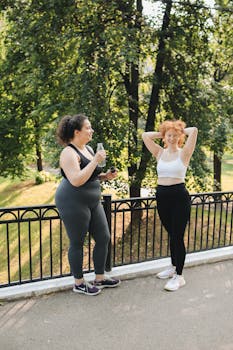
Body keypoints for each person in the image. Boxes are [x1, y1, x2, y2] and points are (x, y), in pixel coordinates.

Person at [55, 113, 120, 296]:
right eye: (88, 128)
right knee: (77, 241)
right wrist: (95, 161)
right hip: (73, 200)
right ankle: (79, 283)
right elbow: (76, 179)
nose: (91, 131)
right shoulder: (68, 152)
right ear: (77, 132)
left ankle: (100, 277)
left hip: (92, 200)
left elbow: (89, 175)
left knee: (103, 237)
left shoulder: (89, 149)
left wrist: (105, 176)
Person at [142, 120, 198, 291]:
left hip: (179, 197)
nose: (172, 138)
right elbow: (145, 136)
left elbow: (194, 130)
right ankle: (173, 266)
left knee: (177, 236)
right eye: (169, 136)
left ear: (180, 137)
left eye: (175, 135)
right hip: (162, 197)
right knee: (172, 234)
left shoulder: (184, 153)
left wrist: (177, 129)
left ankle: (179, 276)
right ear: (164, 138)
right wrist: (164, 131)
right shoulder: (159, 153)